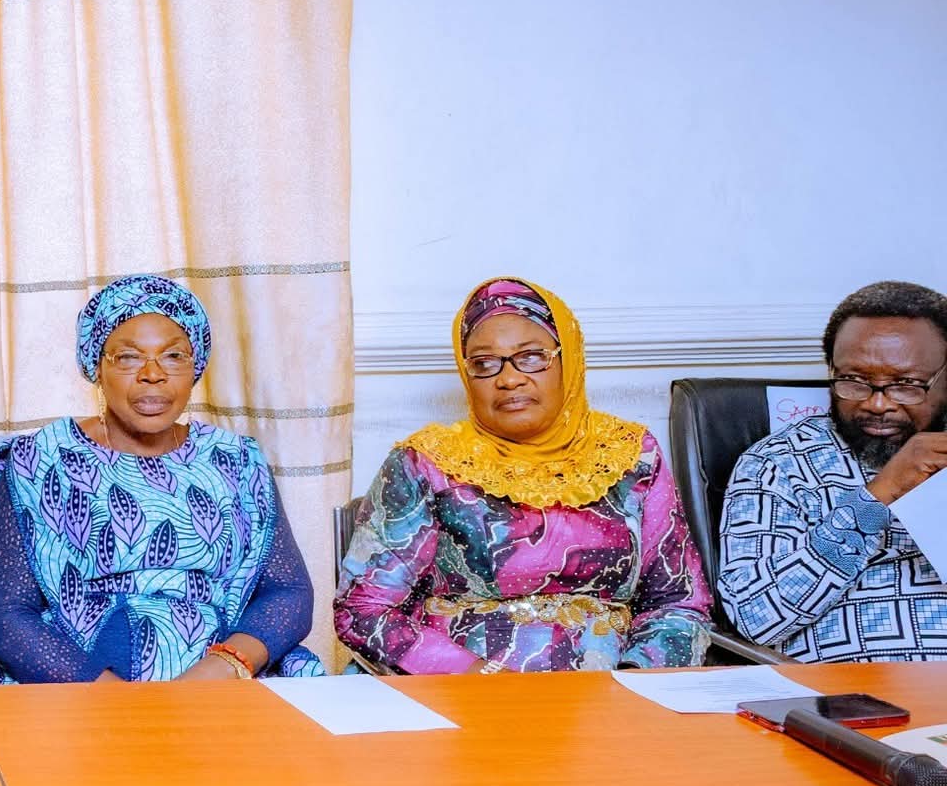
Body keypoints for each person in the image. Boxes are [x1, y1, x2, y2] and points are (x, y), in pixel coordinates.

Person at [0, 276, 324, 682]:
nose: (153, 374)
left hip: (223, 681)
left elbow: (289, 592)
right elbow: (7, 616)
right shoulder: (38, 461)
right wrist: (111, 697)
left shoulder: (237, 460)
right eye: (128, 357)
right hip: (82, 688)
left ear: (197, 367)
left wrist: (221, 669)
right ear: (96, 367)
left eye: (174, 356)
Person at [335, 277, 711, 673]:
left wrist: (631, 686)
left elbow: (678, 602)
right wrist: (477, 682)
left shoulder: (632, 455)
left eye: (532, 357)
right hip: (460, 696)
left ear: (569, 360)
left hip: (609, 699)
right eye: (484, 363)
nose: (509, 378)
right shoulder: (427, 461)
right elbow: (363, 609)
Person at [719, 280, 947, 661]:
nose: (876, 404)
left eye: (906, 385)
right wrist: (875, 497)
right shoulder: (779, 464)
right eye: (854, 382)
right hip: (854, 701)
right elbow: (753, 618)